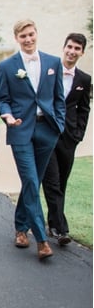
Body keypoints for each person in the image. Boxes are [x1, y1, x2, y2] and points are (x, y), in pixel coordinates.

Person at [0, 19, 65, 261]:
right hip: (20, 130)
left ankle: (20, 228)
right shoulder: (7, 66)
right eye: (23, 36)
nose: (28, 39)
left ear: (37, 34)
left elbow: (59, 98)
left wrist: (59, 124)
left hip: (47, 131)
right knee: (29, 178)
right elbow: (2, 99)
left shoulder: (53, 62)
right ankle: (42, 240)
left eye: (31, 34)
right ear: (17, 38)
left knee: (32, 183)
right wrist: (7, 116)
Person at [41, 33, 91, 246]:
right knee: (51, 181)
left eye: (77, 49)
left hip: (69, 138)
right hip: (47, 134)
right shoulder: (49, 71)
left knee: (61, 182)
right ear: (64, 47)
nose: (72, 51)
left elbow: (84, 110)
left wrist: (78, 134)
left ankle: (53, 223)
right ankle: (61, 229)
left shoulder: (84, 79)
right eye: (69, 47)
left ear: (82, 52)